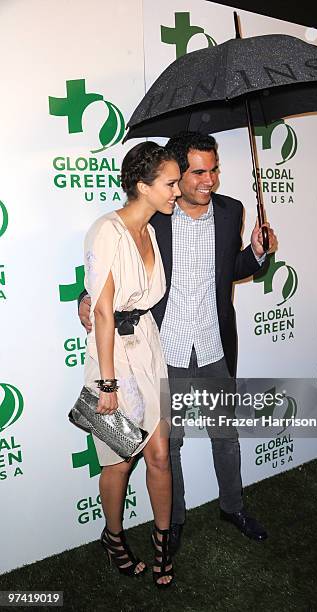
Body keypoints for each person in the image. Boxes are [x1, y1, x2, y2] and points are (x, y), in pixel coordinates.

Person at [79, 131, 278, 554]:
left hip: (213, 345)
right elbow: (115, 268)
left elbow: (231, 268)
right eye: (198, 172)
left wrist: (256, 253)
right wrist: (87, 298)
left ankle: (233, 507)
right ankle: (175, 521)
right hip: (163, 351)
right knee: (169, 447)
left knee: (226, 435)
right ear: (176, 176)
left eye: (215, 170)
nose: (210, 181)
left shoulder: (231, 212)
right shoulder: (155, 219)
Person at [83, 141, 180, 587]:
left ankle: (163, 541)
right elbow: (102, 311)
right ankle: (114, 537)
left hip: (148, 345)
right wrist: (107, 385)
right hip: (114, 358)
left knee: (159, 454)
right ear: (143, 186)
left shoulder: (154, 231)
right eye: (171, 183)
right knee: (119, 461)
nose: (176, 191)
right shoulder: (107, 230)